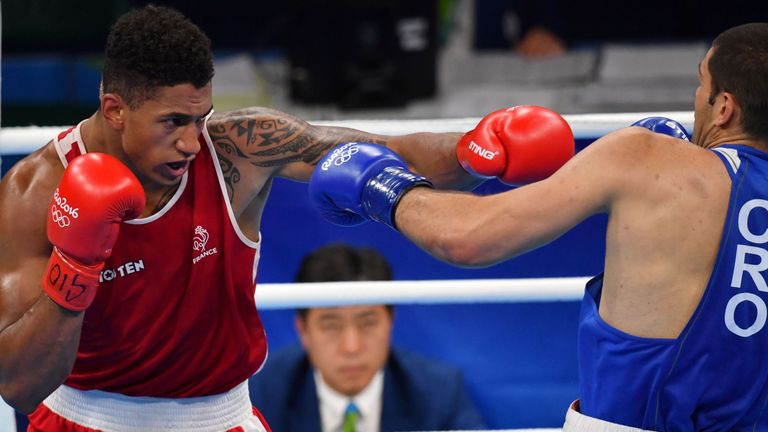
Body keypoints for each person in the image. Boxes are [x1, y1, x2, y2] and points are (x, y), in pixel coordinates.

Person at [0, 4, 574, 431]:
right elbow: (19, 385)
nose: (192, 143)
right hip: (83, 418)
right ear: (114, 109)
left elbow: (377, 152)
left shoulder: (238, 149)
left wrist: (478, 149)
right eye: (173, 121)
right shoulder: (35, 192)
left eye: (201, 117)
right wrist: (74, 272)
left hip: (219, 417)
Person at [309, 22, 768, 431]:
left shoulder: (650, 158)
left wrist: (383, 185)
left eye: (699, 84)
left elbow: (468, 239)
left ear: (724, 107)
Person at [249, 243, 487, 432]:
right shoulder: (261, 395)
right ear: (303, 331)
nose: (352, 347)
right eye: (331, 326)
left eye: (368, 322)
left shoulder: (438, 391)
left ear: (390, 323)